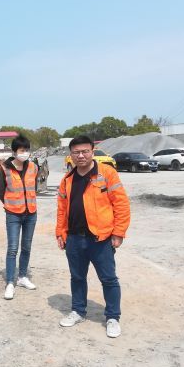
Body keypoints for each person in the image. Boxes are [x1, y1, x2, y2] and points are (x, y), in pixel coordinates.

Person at [56, 135, 130, 338]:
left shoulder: (107, 174)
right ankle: (78, 311)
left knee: (108, 279)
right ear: (70, 155)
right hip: (74, 238)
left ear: (92, 151)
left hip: (101, 239)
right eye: (76, 152)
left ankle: (112, 317)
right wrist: (60, 232)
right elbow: (62, 209)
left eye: (85, 151)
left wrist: (119, 232)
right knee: (77, 277)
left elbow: (121, 204)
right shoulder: (67, 179)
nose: (81, 156)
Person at [0, 135, 38, 300]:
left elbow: (34, 187)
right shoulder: (4, 168)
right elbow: (0, 191)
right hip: (13, 214)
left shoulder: (33, 167)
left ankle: (22, 277)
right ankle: (10, 283)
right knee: (13, 249)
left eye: (27, 150)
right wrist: (9, 204)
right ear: (14, 152)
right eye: (22, 150)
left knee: (26, 247)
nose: (25, 153)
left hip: (31, 213)